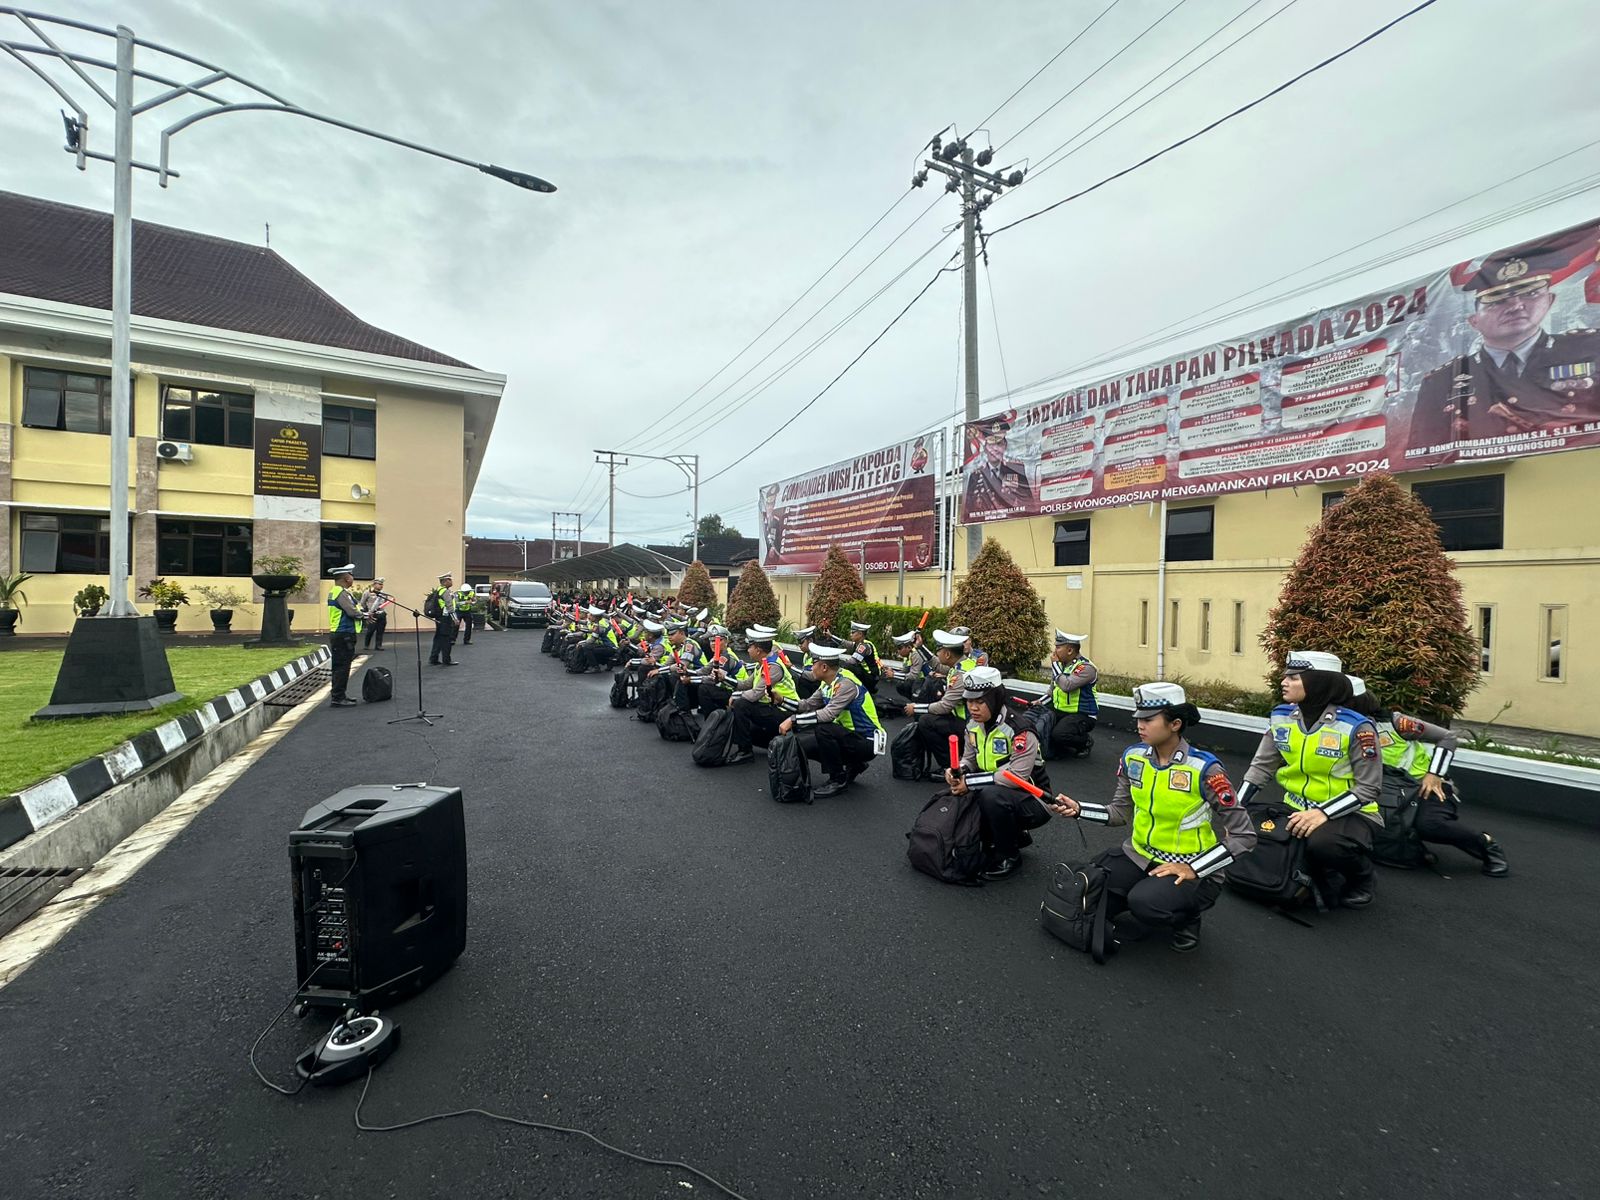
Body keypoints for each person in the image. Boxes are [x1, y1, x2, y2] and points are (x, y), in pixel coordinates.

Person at [1049, 682, 1255, 952]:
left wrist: (1192, 869)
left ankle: (1188, 918)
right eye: (1138, 719)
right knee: (1089, 890)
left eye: (1148, 719)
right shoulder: (1134, 758)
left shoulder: (1204, 768)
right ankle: (1138, 894)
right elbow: (1119, 812)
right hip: (1139, 855)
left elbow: (1244, 836)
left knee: (1145, 904)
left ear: (1175, 724)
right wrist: (1079, 809)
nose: (1139, 725)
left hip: (1190, 869)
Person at [1409, 229, 1600, 450]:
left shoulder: (1590, 348)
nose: (1516, 306)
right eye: (1497, 300)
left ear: (1549, 300)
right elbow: (1422, 452)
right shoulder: (1441, 381)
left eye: (1530, 293)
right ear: (1474, 321)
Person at [1239, 650, 1382, 908]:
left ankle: (1362, 877)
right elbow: (1261, 768)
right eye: (1285, 676)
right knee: (1249, 827)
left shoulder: (1356, 727)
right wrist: (1235, 810)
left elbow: (1369, 788)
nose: (1284, 682)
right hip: (1294, 807)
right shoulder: (1281, 716)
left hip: (1350, 813)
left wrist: (1322, 814)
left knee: (1324, 843)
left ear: (1319, 682)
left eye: (1294, 677)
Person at [1347, 676, 1509, 877]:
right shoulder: (1337, 726)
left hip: (1423, 787)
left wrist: (1435, 774)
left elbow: (1447, 737)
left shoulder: (1395, 723)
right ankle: (1412, 848)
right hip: (1383, 791)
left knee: (1431, 825)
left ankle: (1486, 845)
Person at [942, 666, 1050, 880]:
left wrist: (970, 782)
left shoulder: (1020, 730)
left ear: (995, 698)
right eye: (969, 701)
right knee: (959, 796)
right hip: (995, 792)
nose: (973, 707)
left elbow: (1016, 777)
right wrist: (958, 771)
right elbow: (969, 758)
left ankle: (1009, 855)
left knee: (990, 796)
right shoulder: (974, 724)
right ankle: (1012, 835)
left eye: (980, 701)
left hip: (1035, 800)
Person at [781, 643, 885, 797]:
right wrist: (781, 700)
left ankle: (838, 780)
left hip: (868, 741)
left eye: (813, 664)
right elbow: (807, 705)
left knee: (824, 729)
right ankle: (855, 764)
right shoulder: (827, 683)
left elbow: (828, 714)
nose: (810, 668)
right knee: (802, 745)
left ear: (824, 667)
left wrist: (793, 720)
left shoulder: (845, 684)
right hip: (849, 737)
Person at [725, 629, 800, 763]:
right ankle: (769, 742)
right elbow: (746, 684)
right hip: (771, 707)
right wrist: (724, 678)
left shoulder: (773, 667)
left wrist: (736, 696)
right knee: (742, 707)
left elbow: (754, 695)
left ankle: (745, 751)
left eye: (750, 646)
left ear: (758, 650)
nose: (748, 650)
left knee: (741, 704)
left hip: (785, 711)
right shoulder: (762, 663)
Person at [907, 629, 971, 757]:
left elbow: (944, 707)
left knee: (926, 721)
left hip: (969, 724)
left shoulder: (961, 675)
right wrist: (920, 647)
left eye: (939, 650)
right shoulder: (963, 664)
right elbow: (939, 666)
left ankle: (949, 764)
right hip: (968, 720)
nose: (937, 653)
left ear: (947, 654)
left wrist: (915, 708)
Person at [1044, 631, 1097, 758]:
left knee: (1060, 734)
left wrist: (1055, 666)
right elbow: (1052, 690)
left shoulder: (1086, 668)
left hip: (1082, 714)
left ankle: (1085, 742)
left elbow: (1066, 686)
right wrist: (1039, 702)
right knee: (1039, 722)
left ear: (1069, 650)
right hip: (1062, 711)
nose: (1054, 652)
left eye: (1058, 647)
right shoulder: (1061, 666)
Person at [325, 564, 363, 707]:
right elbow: (352, 612)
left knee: (340, 666)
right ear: (347, 578)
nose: (352, 578)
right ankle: (338, 697)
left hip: (340, 633)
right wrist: (364, 615)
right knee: (342, 667)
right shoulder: (341, 593)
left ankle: (339, 695)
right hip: (343, 633)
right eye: (351, 575)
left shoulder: (337, 591)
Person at [424, 570, 458, 666]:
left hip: (439, 618)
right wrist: (455, 618)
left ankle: (433, 658)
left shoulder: (438, 590)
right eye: (450, 580)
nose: (451, 582)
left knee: (438, 638)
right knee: (446, 639)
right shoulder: (445, 592)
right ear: (445, 581)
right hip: (446, 618)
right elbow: (449, 606)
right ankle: (446, 660)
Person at [844, 621, 882, 696]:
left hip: (871, 677)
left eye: (853, 632)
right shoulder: (859, 643)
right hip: (871, 675)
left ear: (860, 634)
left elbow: (852, 661)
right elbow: (844, 643)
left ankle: (866, 688)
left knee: (848, 666)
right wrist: (831, 636)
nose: (850, 634)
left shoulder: (864, 646)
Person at [359, 577, 389, 650]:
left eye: (382, 584)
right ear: (374, 584)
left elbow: (385, 602)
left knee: (380, 631)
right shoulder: (367, 592)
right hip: (372, 614)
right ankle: (366, 645)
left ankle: (378, 646)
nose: (381, 586)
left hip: (381, 613)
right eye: (379, 584)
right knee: (370, 631)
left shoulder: (383, 593)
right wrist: (367, 610)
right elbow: (362, 603)